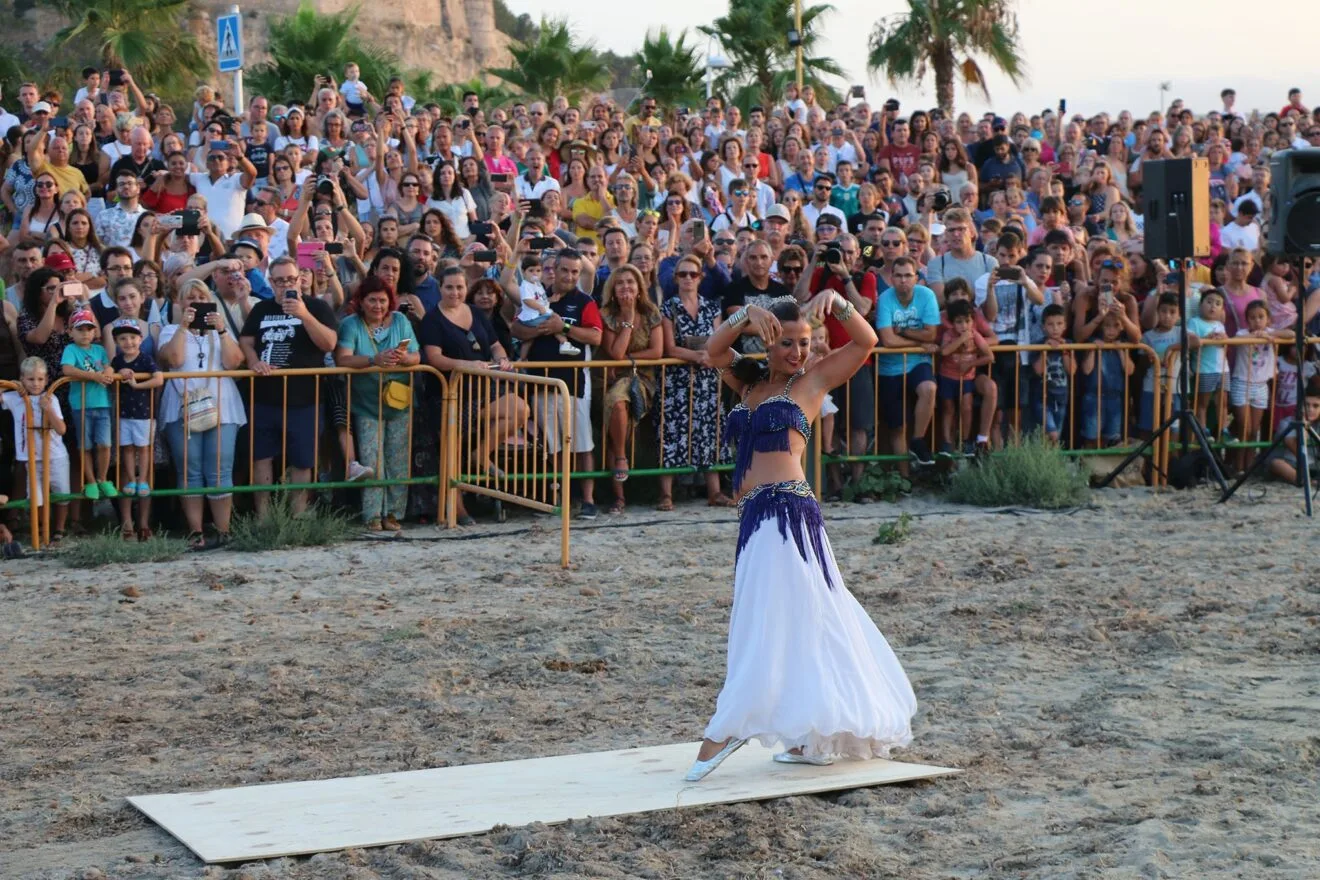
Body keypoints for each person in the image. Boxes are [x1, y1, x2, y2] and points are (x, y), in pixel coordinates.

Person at [685, 292, 915, 782]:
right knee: (802, 617)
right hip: (753, 517)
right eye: (787, 343)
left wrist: (837, 303)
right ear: (768, 342)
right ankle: (810, 737)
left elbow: (866, 341)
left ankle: (725, 729)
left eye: (804, 343)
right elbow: (714, 348)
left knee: (764, 617)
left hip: (789, 513)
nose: (796, 352)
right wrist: (747, 315)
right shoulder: (747, 383)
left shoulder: (812, 382)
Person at [419, 266, 527, 525]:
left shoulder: (476, 313)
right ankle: (458, 511)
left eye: (459, 287)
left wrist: (502, 359)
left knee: (520, 409)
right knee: (451, 452)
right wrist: (465, 365)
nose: (455, 292)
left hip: (482, 386)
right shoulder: (432, 320)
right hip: (450, 392)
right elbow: (434, 358)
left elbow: (495, 344)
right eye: (449, 287)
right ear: (440, 288)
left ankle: (481, 453)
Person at [239, 255, 339, 516]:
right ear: (271, 282)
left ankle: (297, 516)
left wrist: (303, 314)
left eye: (291, 279)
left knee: (303, 460)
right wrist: (253, 361)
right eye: (280, 280)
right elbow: (247, 341)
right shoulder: (260, 309)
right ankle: (263, 517)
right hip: (265, 396)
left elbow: (329, 343)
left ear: (300, 279)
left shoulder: (316, 307)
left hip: (304, 397)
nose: (286, 285)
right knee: (261, 457)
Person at [511, 249, 602, 519]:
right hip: (542, 384)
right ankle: (557, 497)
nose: (570, 276)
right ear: (555, 269)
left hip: (575, 384)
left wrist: (562, 328)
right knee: (552, 447)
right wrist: (543, 329)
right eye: (565, 270)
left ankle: (587, 500)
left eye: (575, 271)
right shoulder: (538, 295)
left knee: (583, 444)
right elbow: (516, 328)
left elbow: (595, 337)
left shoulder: (585, 302)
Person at [334, 275, 421, 531]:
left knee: (398, 459)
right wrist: (374, 360)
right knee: (372, 460)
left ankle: (393, 513)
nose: (378, 305)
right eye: (372, 300)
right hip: (365, 402)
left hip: (399, 399)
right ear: (361, 301)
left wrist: (404, 359)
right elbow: (343, 359)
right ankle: (372, 515)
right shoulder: (351, 324)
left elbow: (417, 355)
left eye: (382, 300)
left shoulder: (402, 321)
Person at [598, 264, 663, 513]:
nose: (626, 286)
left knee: (620, 400)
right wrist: (626, 320)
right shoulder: (607, 314)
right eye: (620, 282)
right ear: (613, 289)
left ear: (639, 288)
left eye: (631, 282)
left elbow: (657, 352)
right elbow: (614, 353)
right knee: (616, 403)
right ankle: (619, 461)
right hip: (611, 381)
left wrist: (630, 358)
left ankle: (621, 461)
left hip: (643, 380)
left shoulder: (650, 313)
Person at [874, 255, 941, 466]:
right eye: (899, 276)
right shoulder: (885, 298)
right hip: (889, 367)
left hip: (917, 362)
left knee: (929, 388)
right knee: (897, 427)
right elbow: (887, 340)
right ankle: (905, 479)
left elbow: (932, 335)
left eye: (908, 276)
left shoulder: (927, 295)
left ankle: (918, 440)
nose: (903, 280)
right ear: (892, 277)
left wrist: (902, 330)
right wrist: (919, 343)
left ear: (916, 277)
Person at [109, 319, 162, 540]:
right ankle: (132, 479)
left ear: (141, 339)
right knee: (127, 450)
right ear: (116, 341)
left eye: (132, 337)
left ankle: (142, 481)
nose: (128, 342)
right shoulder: (118, 359)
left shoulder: (145, 359)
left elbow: (158, 378)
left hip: (143, 414)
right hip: (124, 414)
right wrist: (118, 371)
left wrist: (137, 384)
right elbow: (109, 372)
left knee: (144, 449)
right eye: (123, 338)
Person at [60, 308, 118, 501]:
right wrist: (94, 376)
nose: (85, 333)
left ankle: (102, 478)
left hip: (102, 404)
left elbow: (108, 365)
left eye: (89, 329)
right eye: (80, 329)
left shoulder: (99, 350)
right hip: (81, 405)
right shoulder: (70, 350)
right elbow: (67, 369)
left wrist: (108, 370)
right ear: (70, 332)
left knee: (105, 444)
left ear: (94, 331)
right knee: (85, 446)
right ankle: (91, 480)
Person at [937, 299, 992, 454]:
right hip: (947, 377)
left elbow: (989, 356)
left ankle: (966, 440)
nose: (964, 326)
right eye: (959, 322)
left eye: (967, 321)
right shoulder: (949, 334)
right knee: (948, 409)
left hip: (966, 378)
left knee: (966, 407)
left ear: (972, 322)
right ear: (952, 323)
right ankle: (947, 442)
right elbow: (944, 351)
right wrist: (961, 339)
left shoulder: (975, 335)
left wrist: (971, 363)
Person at [1078, 312, 1134, 448]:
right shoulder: (1092, 343)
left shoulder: (1123, 346)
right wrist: (1093, 350)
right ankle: (1088, 466)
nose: (1111, 330)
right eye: (1107, 326)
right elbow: (1086, 369)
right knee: (1091, 436)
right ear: (1101, 327)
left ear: (1121, 328)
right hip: (1094, 397)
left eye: (1116, 326)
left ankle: (1105, 467)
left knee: (1111, 438)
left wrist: (1121, 351)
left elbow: (1130, 370)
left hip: (1114, 398)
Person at [1027, 304, 1076, 443]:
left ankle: (1049, 462)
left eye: (1059, 324)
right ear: (1043, 327)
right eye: (1050, 324)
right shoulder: (1038, 345)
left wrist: (1065, 349)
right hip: (1041, 399)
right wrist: (1045, 350)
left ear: (1065, 325)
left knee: (1055, 437)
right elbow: (1038, 370)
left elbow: (1071, 370)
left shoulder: (1069, 344)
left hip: (1061, 398)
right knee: (1052, 434)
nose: (1055, 328)